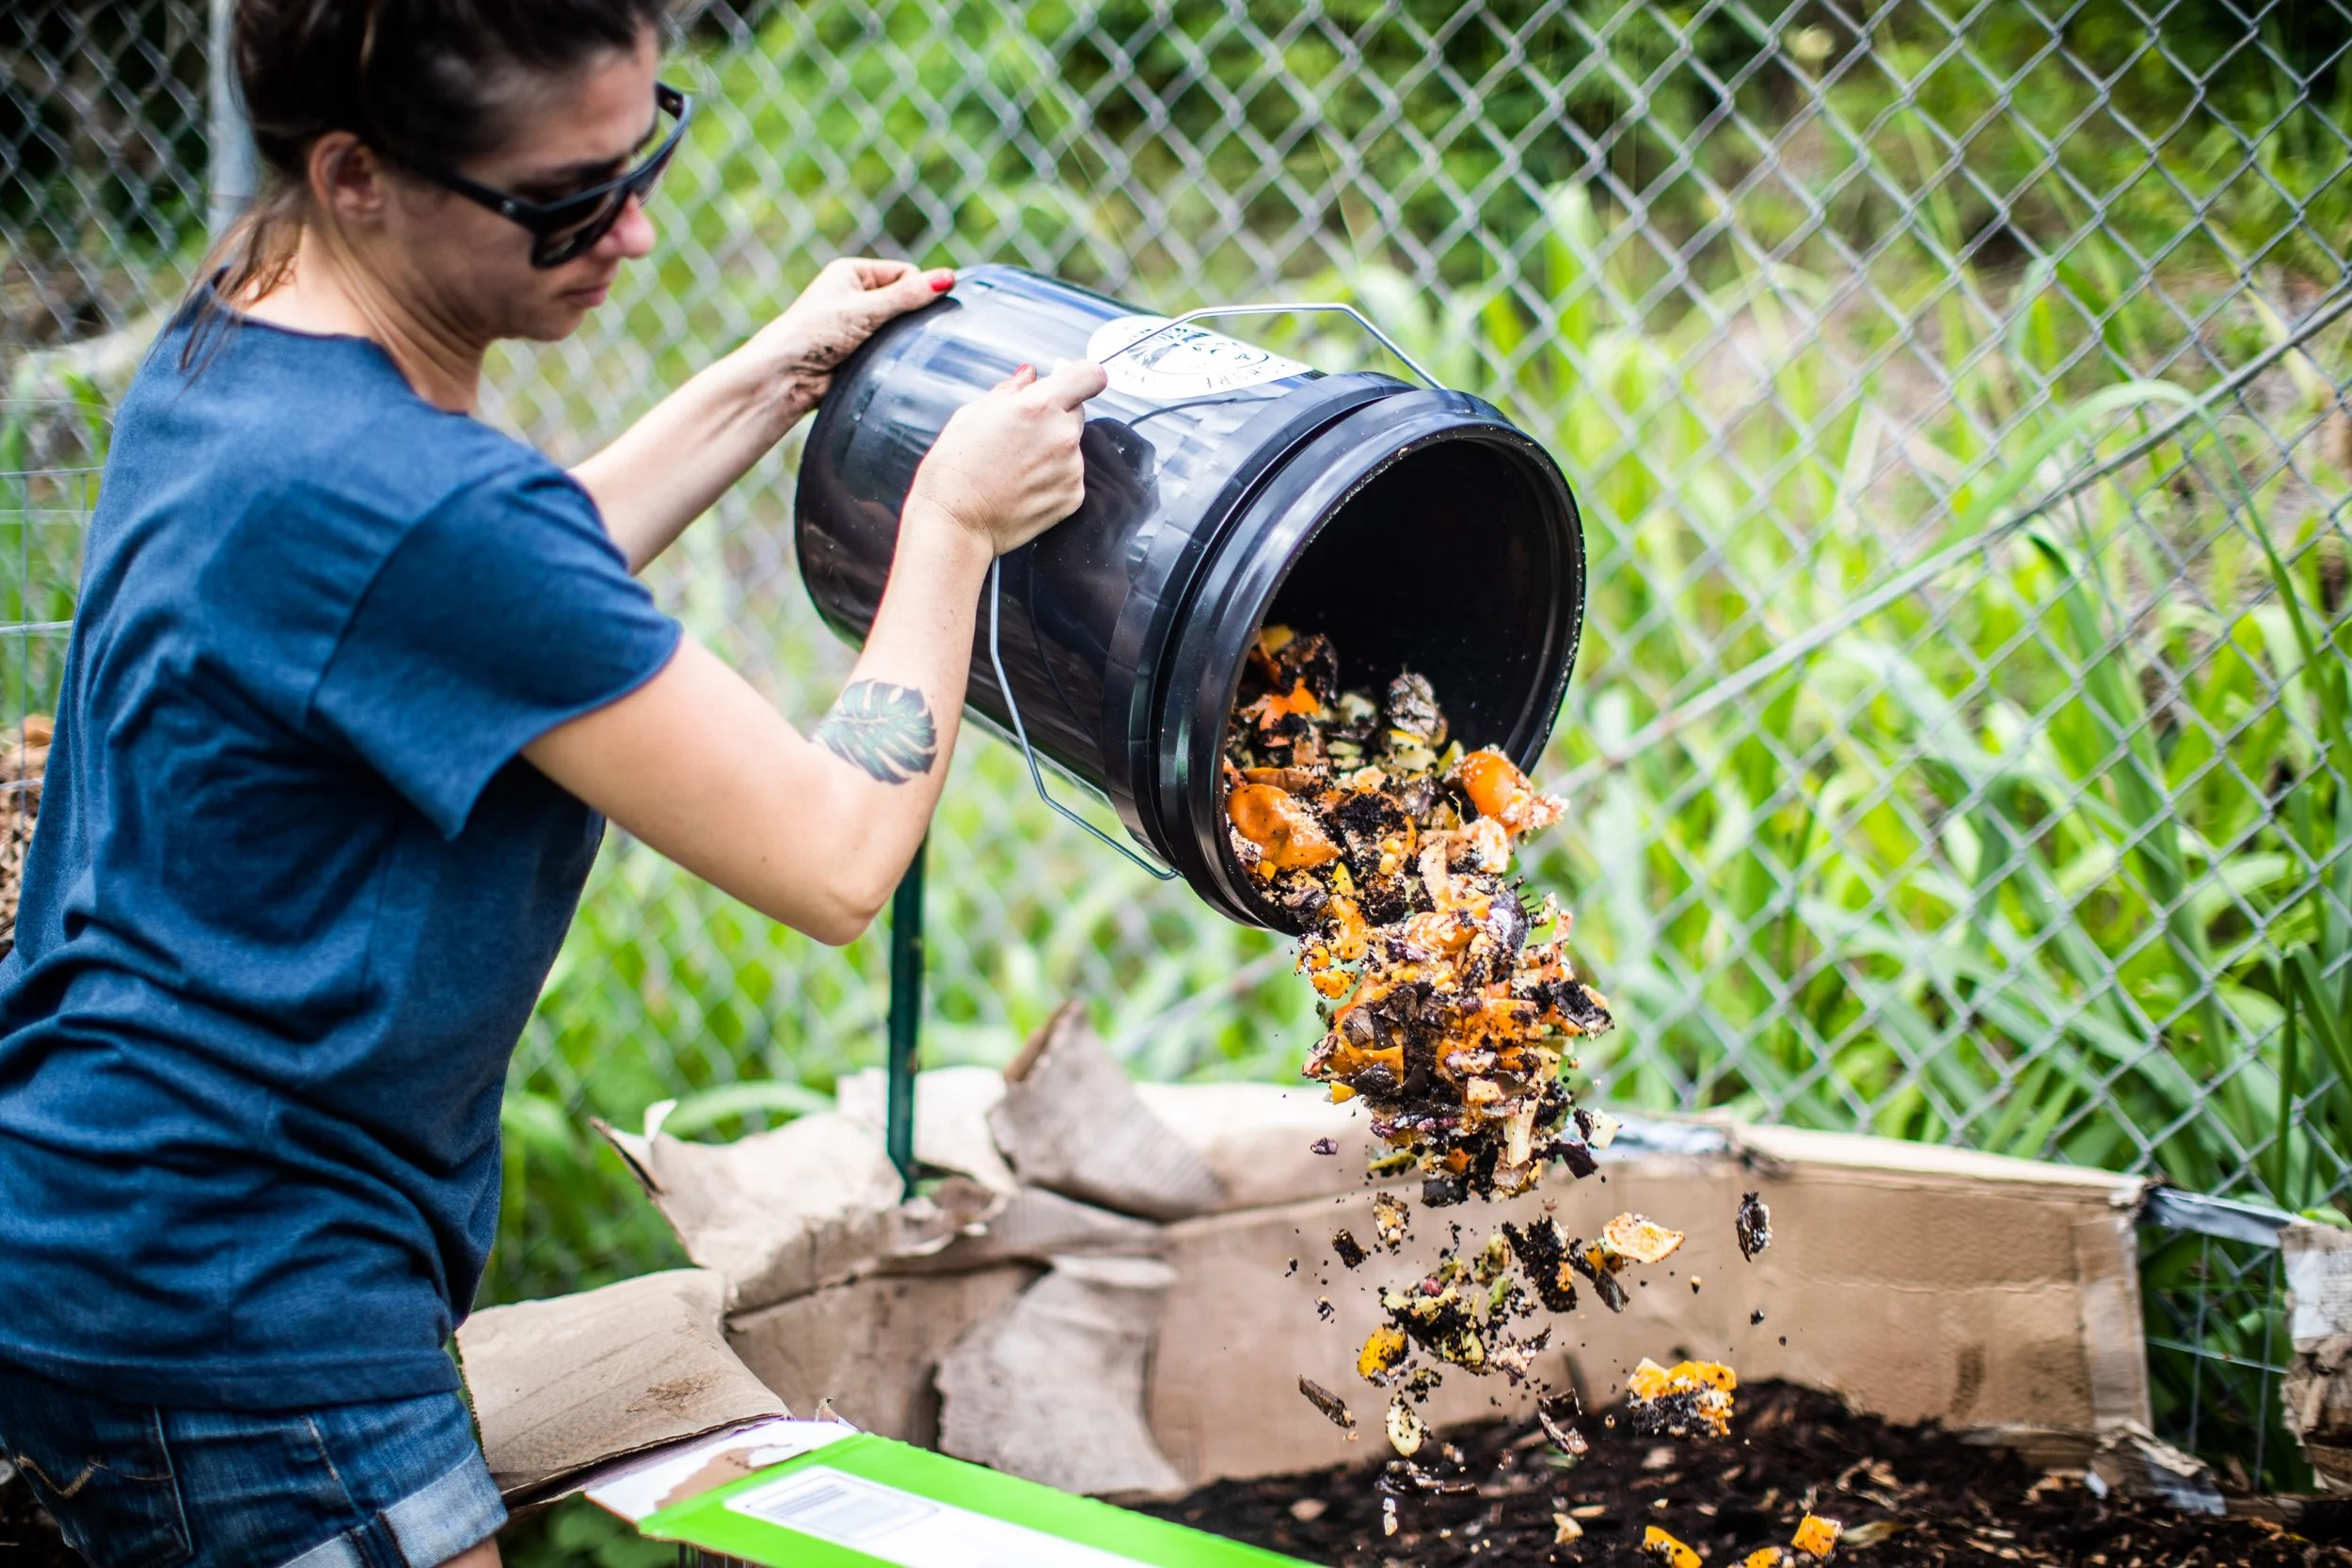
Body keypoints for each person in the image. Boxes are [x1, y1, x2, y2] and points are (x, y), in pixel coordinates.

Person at [0, 1, 1106, 1563]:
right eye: (567, 197)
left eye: (640, 158)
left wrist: (765, 379)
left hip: (103, 1223)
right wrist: (953, 528)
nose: (634, 233)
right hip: (247, 1311)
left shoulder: (239, 344)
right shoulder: (426, 506)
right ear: (357, 174)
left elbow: (469, 594)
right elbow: (835, 855)